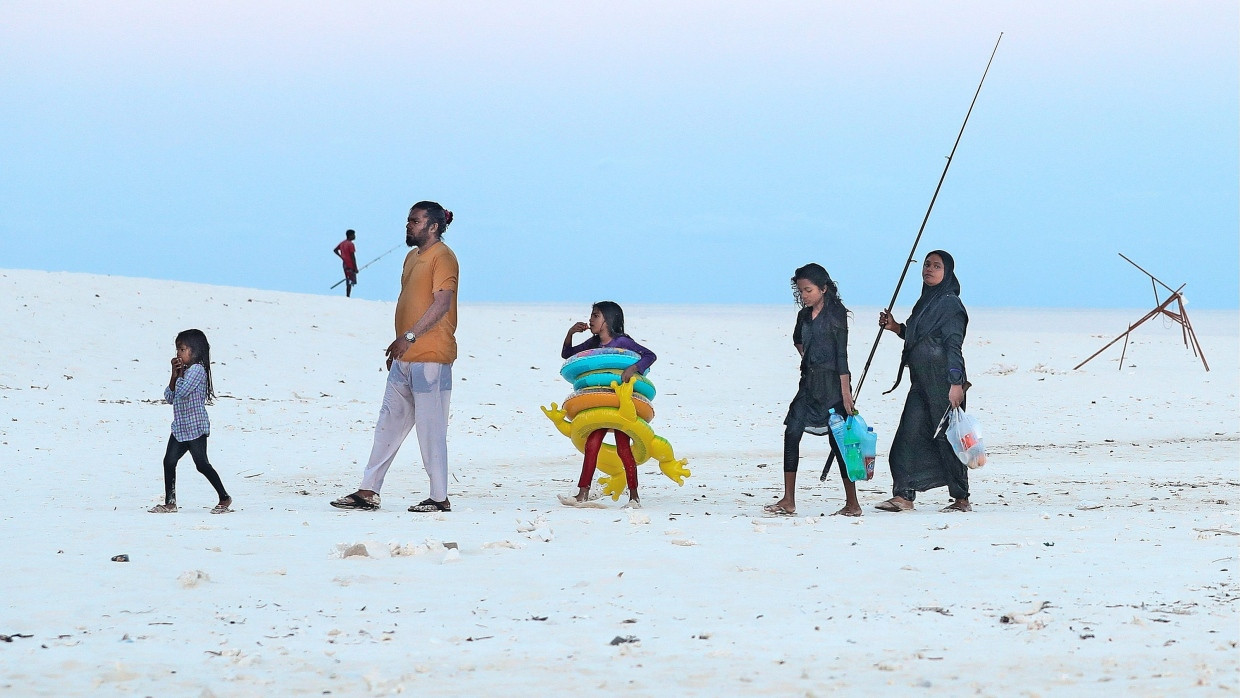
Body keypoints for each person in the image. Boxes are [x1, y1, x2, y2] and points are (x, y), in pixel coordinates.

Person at [331, 202, 458, 513]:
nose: (408, 226)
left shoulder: (444, 257)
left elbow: (442, 304)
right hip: (404, 359)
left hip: (432, 358)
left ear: (433, 227)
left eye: (415, 221)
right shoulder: (411, 256)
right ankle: (368, 490)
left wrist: (409, 338)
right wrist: (401, 349)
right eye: (408, 221)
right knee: (387, 424)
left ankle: (439, 497)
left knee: (431, 429)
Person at [875, 250, 971, 513]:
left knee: (947, 439)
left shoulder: (950, 304)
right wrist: (896, 328)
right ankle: (903, 496)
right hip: (919, 382)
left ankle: (961, 498)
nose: (929, 269)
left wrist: (955, 383)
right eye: (927, 264)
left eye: (936, 266)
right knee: (907, 436)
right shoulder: (925, 302)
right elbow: (917, 337)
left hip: (943, 382)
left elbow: (954, 346)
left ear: (947, 272)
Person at [764, 264, 859, 517]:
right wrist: (809, 358)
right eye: (801, 291)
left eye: (808, 290)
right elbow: (797, 339)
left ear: (823, 288)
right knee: (792, 432)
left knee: (838, 441)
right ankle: (788, 499)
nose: (804, 295)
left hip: (833, 387)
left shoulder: (836, 315)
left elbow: (842, 357)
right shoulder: (804, 316)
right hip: (808, 384)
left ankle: (853, 503)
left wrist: (846, 395)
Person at [559, 301, 655, 509]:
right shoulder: (593, 344)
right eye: (591, 315)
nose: (591, 319)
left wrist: (633, 368)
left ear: (608, 319)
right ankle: (582, 493)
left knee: (623, 448)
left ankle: (634, 497)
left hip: (621, 404)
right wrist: (570, 333)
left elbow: (650, 356)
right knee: (592, 445)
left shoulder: (623, 342)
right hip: (601, 403)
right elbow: (567, 355)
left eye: (595, 315)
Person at [149, 329, 232, 514]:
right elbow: (170, 396)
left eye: (182, 349)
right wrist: (174, 374)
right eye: (177, 349)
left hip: (195, 427)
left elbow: (183, 391)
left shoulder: (197, 370)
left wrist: (178, 376)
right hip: (180, 428)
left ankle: (224, 497)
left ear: (194, 351)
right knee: (168, 462)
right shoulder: (183, 372)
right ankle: (170, 502)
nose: (178, 354)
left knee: (201, 464)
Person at [334, 229, 359, 297]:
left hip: (344, 264)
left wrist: (342, 257)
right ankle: (348, 295)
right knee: (350, 280)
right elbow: (352, 257)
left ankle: (348, 295)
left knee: (348, 279)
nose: (355, 236)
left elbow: (335, 250)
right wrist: (355, 267)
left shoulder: (342, 243)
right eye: (354, 235)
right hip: (350, 264)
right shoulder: (350, 244)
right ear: (350, 235)